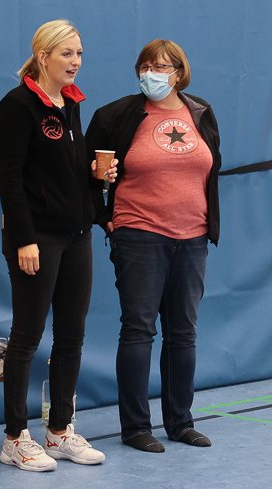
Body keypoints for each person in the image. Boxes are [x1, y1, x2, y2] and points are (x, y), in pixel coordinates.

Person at [85, 39, 221, 453]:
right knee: (139, 329)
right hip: (139, 235)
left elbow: (210, 167)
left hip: (192, 237)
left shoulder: (201, 112)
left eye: (160, 67)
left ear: (179, 73)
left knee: (183, 332)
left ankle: (180, 422)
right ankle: (135, 427)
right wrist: (103, 215)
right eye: (145, 66)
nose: (151, 74)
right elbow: (86, 171)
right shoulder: (115, 115)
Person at [0, 19, 110, 472]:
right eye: (66, 53)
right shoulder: (18, 105)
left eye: (79, 54)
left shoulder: (72, 104)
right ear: (43, 56)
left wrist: (96, 180)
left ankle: (60, 430)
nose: (75, 61)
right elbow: (11, 179)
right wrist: (24, 239)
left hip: (77, 236)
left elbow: (70, 173)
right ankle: (14, 437)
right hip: (36, 239)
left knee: (72, 335)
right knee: (26, 336)